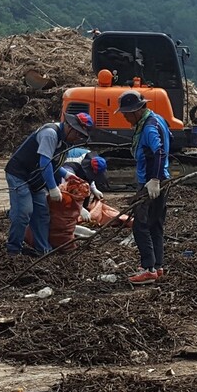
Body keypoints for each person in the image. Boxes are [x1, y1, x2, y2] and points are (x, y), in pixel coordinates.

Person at [4, 112, 94, 256]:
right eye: (78, 134)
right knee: (24, 212)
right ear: (70, 127)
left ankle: (43, 250)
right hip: (20, 175)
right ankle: (13, 249)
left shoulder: (65, 141)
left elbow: (53, 163)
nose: (78, 138)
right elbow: (44, 162)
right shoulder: (50, 134)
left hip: (36, 179)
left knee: (42, 213)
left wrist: (66, 174)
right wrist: (52, 188)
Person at [116, 90, 170, 284]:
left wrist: (154, 179)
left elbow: (160, 152)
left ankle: (148, 268)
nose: (124, 117)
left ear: (137, 110)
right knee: (155, 224)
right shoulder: (156, 119)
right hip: (161, 179)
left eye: (126, 113)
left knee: (140, 226)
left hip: (151, 183)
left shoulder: (148, 128)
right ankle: (158, 265)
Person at [59, 149, 109, 221]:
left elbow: (91, 177)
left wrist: (94, 189)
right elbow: (65, 188)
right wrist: (79, 208)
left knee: (85, 188)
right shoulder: (70, 166)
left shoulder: (95, 160)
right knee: (74, 191)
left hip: (78, 170)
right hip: (61, 172)